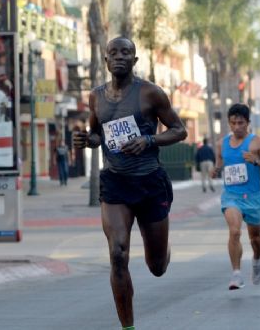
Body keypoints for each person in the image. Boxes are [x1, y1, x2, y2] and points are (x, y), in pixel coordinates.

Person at [72, 37, 187, 330]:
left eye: (127, 52)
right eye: (114, 53)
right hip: (115, 184)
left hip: (149, 182)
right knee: (117, 253)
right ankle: (128, 327)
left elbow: (179, 130)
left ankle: (163, 249)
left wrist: (149, 139)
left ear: (135, 61)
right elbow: (97, 135)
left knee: (157, 267)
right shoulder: (96, 97)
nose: (120, 57)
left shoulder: (151, 93)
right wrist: (87, 140)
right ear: (106, 60)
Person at [212, 103, 260, 290]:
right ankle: (236, 274)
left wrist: (256, 161)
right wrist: (216, 170)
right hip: (231, 196)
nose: (237, 127)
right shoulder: (221, 143)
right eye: (233, 123)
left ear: (248, 122)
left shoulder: (257, 143)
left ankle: (256, 260)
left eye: (241, 123)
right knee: (235, 231)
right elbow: (220, 162)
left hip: (254, 197)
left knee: (255, 238)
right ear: (229, 124)